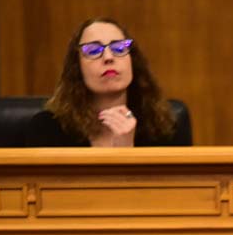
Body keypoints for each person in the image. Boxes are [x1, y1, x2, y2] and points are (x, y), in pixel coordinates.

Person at [25, 17, 190, 147]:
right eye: (93, 50)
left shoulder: (165, 127)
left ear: (132, 61)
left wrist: (128, 154)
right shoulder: (47, 129)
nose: (109, 57)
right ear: (76, 67)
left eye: (119, 48)